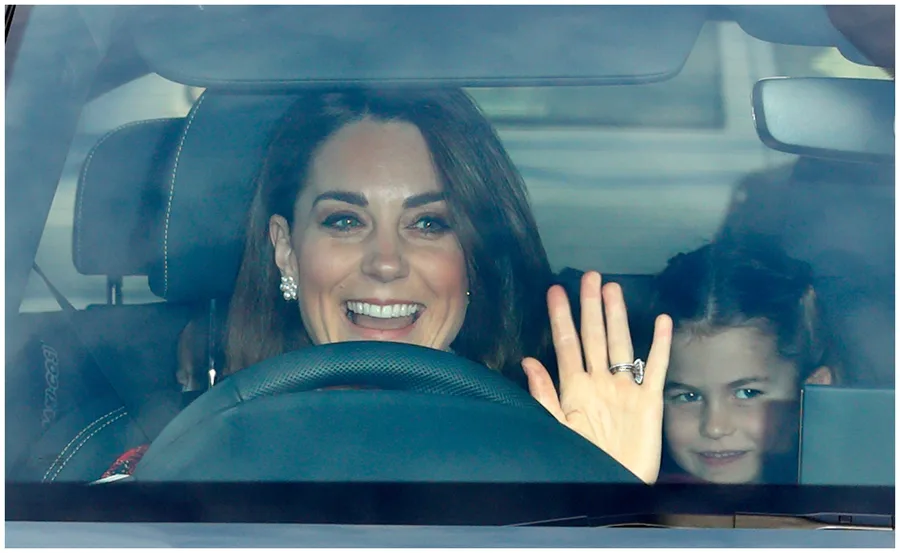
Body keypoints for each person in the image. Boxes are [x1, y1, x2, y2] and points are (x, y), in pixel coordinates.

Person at [162, 87, 672, 485]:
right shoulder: (198, 463)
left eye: (429, 223)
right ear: (286, 249)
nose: (386, 263)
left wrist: (605, 495)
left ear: (473, 259)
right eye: (344, 221)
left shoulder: (558, 450)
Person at [652, 235, 836, 484]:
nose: (714, 428)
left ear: (814, 391)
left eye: (747, 393)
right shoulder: (640, 496)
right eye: (688, 396)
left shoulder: (852, 496)